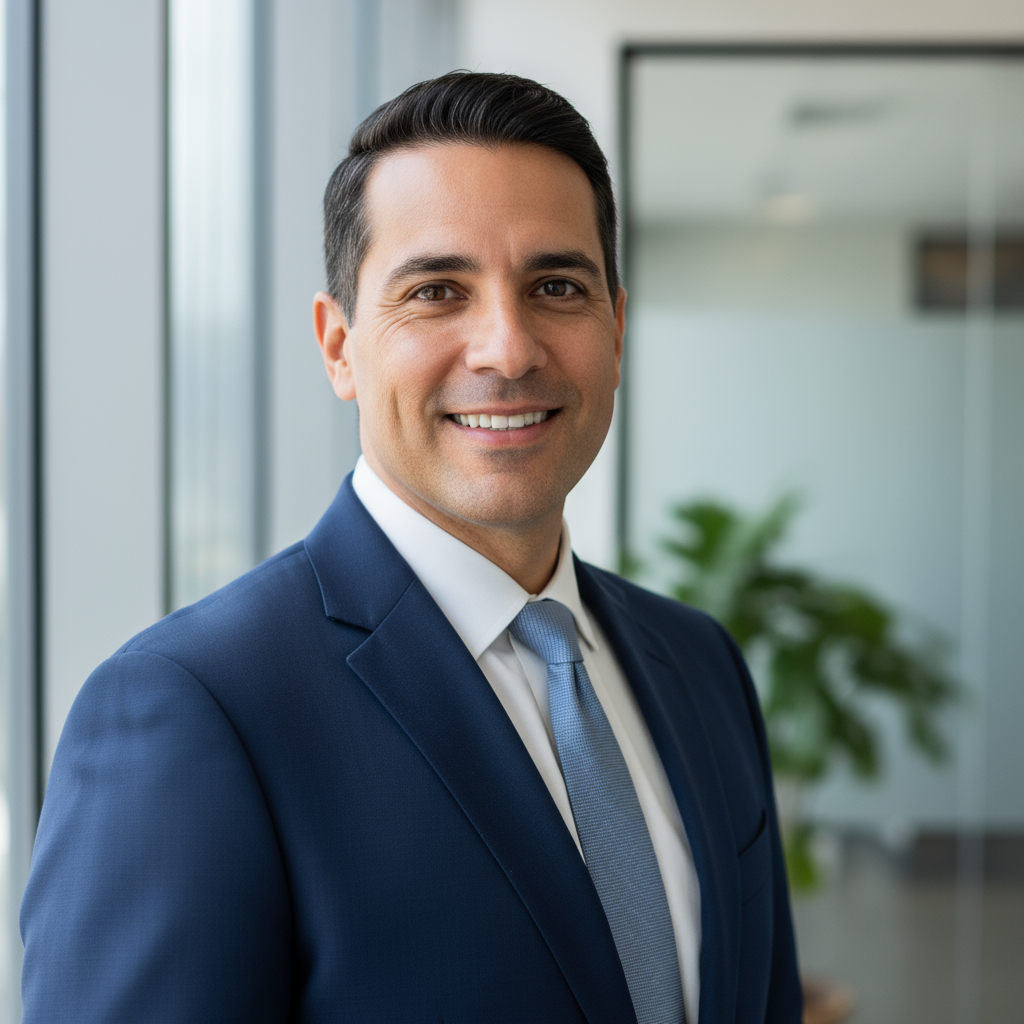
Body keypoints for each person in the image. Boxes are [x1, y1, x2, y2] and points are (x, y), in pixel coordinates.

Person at [20, 72, 801, 1023]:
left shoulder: (702, 666)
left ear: (618, 328)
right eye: (438, 291)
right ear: (339, 345)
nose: (508, 350)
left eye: (557, 286)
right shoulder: (195, 708)